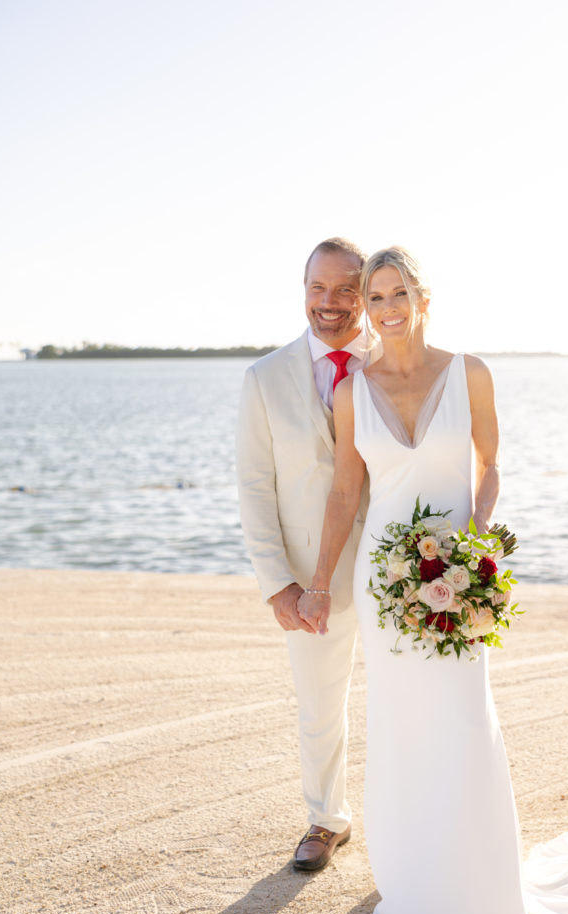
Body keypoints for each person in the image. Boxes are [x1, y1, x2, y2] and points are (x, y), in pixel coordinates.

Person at [298, 246, 568, 914]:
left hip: (457, 581)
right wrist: (316, 582)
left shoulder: (468, 373)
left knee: (465, 720)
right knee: (401, 726)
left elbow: (489, 465)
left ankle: (478, 896)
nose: (384, 308)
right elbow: (346, 492)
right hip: (386, 583)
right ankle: (414, 883)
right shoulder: (350, 390)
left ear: (422, 296)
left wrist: (475, 548)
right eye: (373, 299)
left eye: (396, 292)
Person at [236, 237, 380, 871]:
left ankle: (415, 819)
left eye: (346, 288)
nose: (331, 303)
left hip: (393, 567)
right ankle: (326, 820)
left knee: (409, 697)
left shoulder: (394, 363)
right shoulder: (263, 378)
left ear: (367, 292)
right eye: (318, 288)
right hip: (307, 574)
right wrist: (277, 583)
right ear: (302, 291)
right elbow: (253, 486)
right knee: (320, 704)